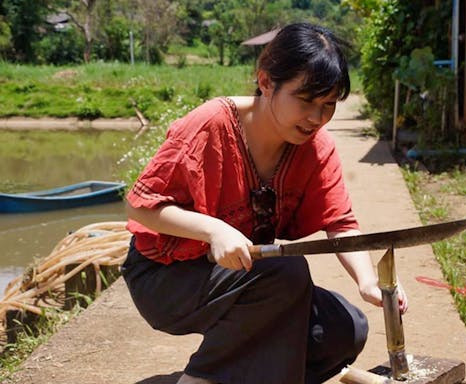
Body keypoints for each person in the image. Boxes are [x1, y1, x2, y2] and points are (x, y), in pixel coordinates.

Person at [121, 22, 408, 384]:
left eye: (329, 104)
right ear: (266, 81)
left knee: (345, 329)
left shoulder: (315, 146)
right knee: (285, 273)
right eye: (306, 101)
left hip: (239, 277)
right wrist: (214, 230)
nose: (317, 118)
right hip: (165, 279)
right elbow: (140, 205)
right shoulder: (210, 123)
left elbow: (341, 224)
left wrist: (368, 282)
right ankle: (200, 379)